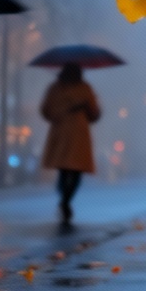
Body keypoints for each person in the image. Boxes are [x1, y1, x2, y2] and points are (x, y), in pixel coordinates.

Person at [40, 62, 101, 228]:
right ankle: (66, 200)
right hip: (79, 134)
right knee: (76, 172)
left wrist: (58, 114)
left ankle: (64, 200)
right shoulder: (85, 88)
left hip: (60, 133)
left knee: (63, 170)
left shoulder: (55, 88)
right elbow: (95, 114)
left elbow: (45, 110)